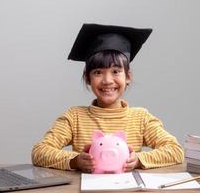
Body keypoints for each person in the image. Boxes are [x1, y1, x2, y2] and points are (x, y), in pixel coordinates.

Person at [32, 23, 184, 173]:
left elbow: (175, 151)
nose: (107, 80)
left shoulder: (141, 118)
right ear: (87, 78)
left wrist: (138, 160)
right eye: (98, 72)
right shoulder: (74, 117)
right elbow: (39, 152)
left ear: (128, 76)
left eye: (116, 71)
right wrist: (75, 160)